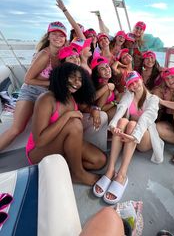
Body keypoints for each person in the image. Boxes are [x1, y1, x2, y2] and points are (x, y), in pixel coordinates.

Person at [26, 63, 106, 185]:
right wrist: (67, 116)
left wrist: (95, 110)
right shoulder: (46, 99)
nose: (76, 82)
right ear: (61, 77)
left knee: (99, 160)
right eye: (72, 77)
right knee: (74, 124)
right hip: (38, 152)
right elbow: (40, 141)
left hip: (62, 144)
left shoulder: (71, 97)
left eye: (80, 79)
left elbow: (85, 108)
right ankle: (78, 174)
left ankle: (67, 169)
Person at [93, 71, 164, 204]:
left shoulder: (153, 99)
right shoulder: (128, 95)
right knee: (122, 122)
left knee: (132, 124)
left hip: (143, 137)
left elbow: (145, 118)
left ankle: (122, 174)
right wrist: (113, 125)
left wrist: (134, 136)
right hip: (129, 136)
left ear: (141, 79)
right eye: (130, 84)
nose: (134, 85)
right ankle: (110, 170)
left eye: (136, 81)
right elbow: (121, 110)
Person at [0, 21, 67, 151]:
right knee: (16, 129)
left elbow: (82, 41)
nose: (58, 38)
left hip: (47, 96)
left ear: (65, 39)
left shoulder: (62, 56)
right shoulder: (44, 55)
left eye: (62, 35)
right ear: (48, 37)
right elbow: (28, 79)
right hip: (31, 92)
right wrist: (52, 83)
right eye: (55, 34)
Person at [91, 56, 118, 122]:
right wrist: (114, 102)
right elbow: (100, 109)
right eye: (102, 69)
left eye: (107, 66)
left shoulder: (109, 83)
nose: (107, 69)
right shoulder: (104, 87)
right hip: (100, 118)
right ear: (97, 73)